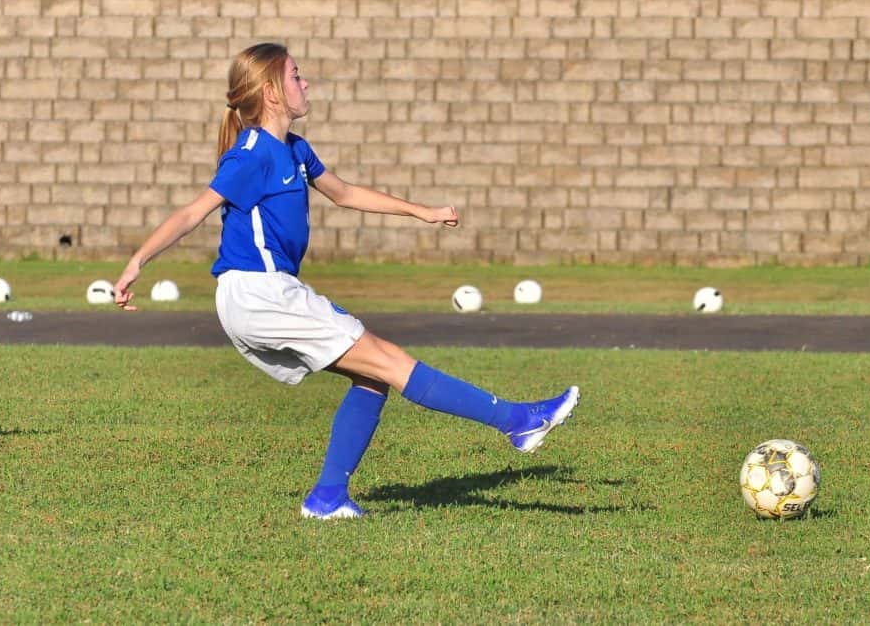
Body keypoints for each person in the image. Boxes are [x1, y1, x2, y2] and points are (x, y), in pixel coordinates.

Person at [113, 42, 580, 520]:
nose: (305, 83)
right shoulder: (252, 155)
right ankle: (518, 421)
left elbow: (344, 193)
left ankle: (328, 498)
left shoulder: (294, 149)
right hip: (260, 292)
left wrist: (421, 212)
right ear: (272, 93)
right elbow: (192, 212)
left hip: (264, 294)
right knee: (391, 361)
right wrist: (137, 262)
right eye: (296, 75)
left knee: (372, 376)